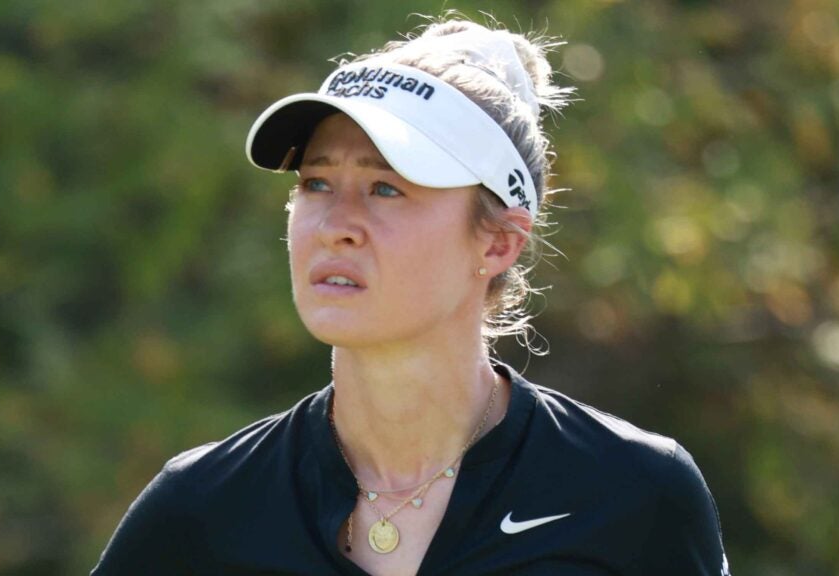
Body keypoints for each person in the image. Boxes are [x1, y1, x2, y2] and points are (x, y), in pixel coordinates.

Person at [91, 16, 731, 576]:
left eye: (386, 188)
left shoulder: (636, 494)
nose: (335, 223)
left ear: (499, 244)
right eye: (315, 183)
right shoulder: (201, 509)